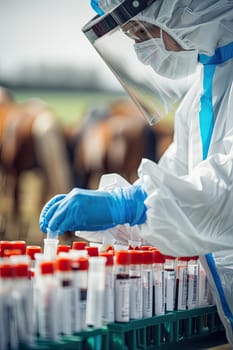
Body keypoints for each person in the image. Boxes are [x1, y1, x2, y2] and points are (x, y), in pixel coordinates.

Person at [40, 0, 233, 345]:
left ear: (193, 9)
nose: (143, 51)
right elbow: (176, 185)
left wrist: (128, 204)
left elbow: (224, 193)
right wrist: (118, 219)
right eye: (132, 37)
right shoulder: (201, 93)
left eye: (144, 31)